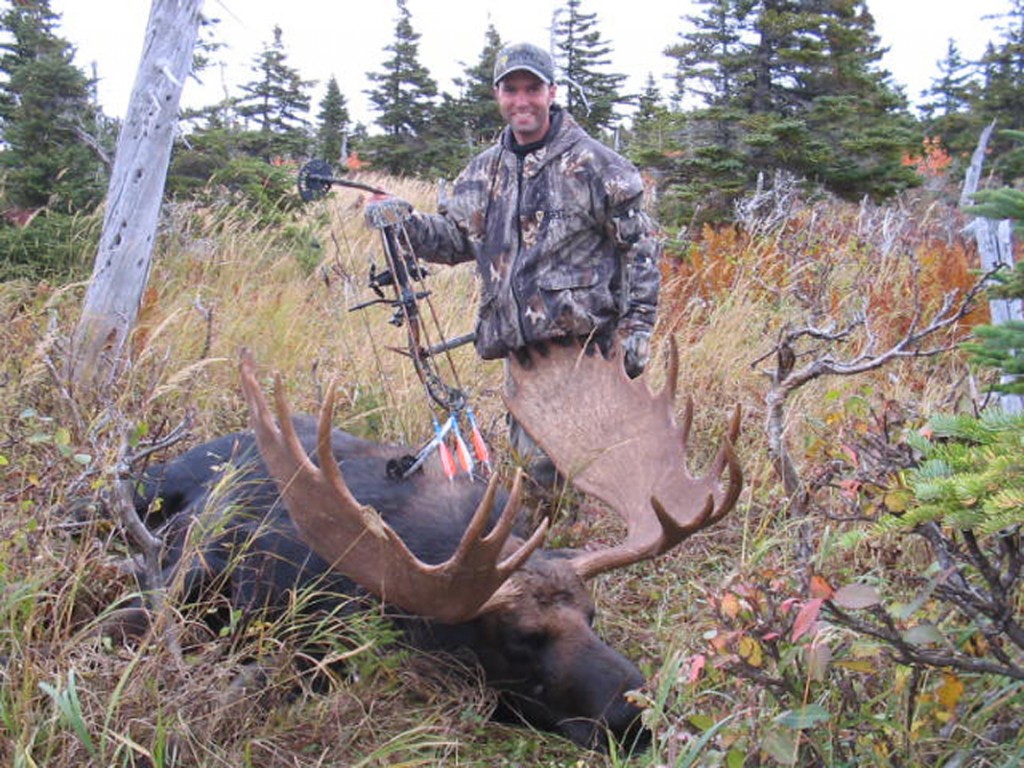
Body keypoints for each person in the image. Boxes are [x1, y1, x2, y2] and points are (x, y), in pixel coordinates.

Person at [367, 41, 662, 483]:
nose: (521, 101)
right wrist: (402, 222)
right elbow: (454, 241)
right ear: (497, 95)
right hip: (520, 351)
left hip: (581, 346)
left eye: (532, 89)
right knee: (535, 469)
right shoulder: (484, 172)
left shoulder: (596, 165)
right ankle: (556, 542)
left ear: (552, 92)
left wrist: (637, 329)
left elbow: (640, 247)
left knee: (573, 467)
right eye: (511, 90)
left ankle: (576, 544)